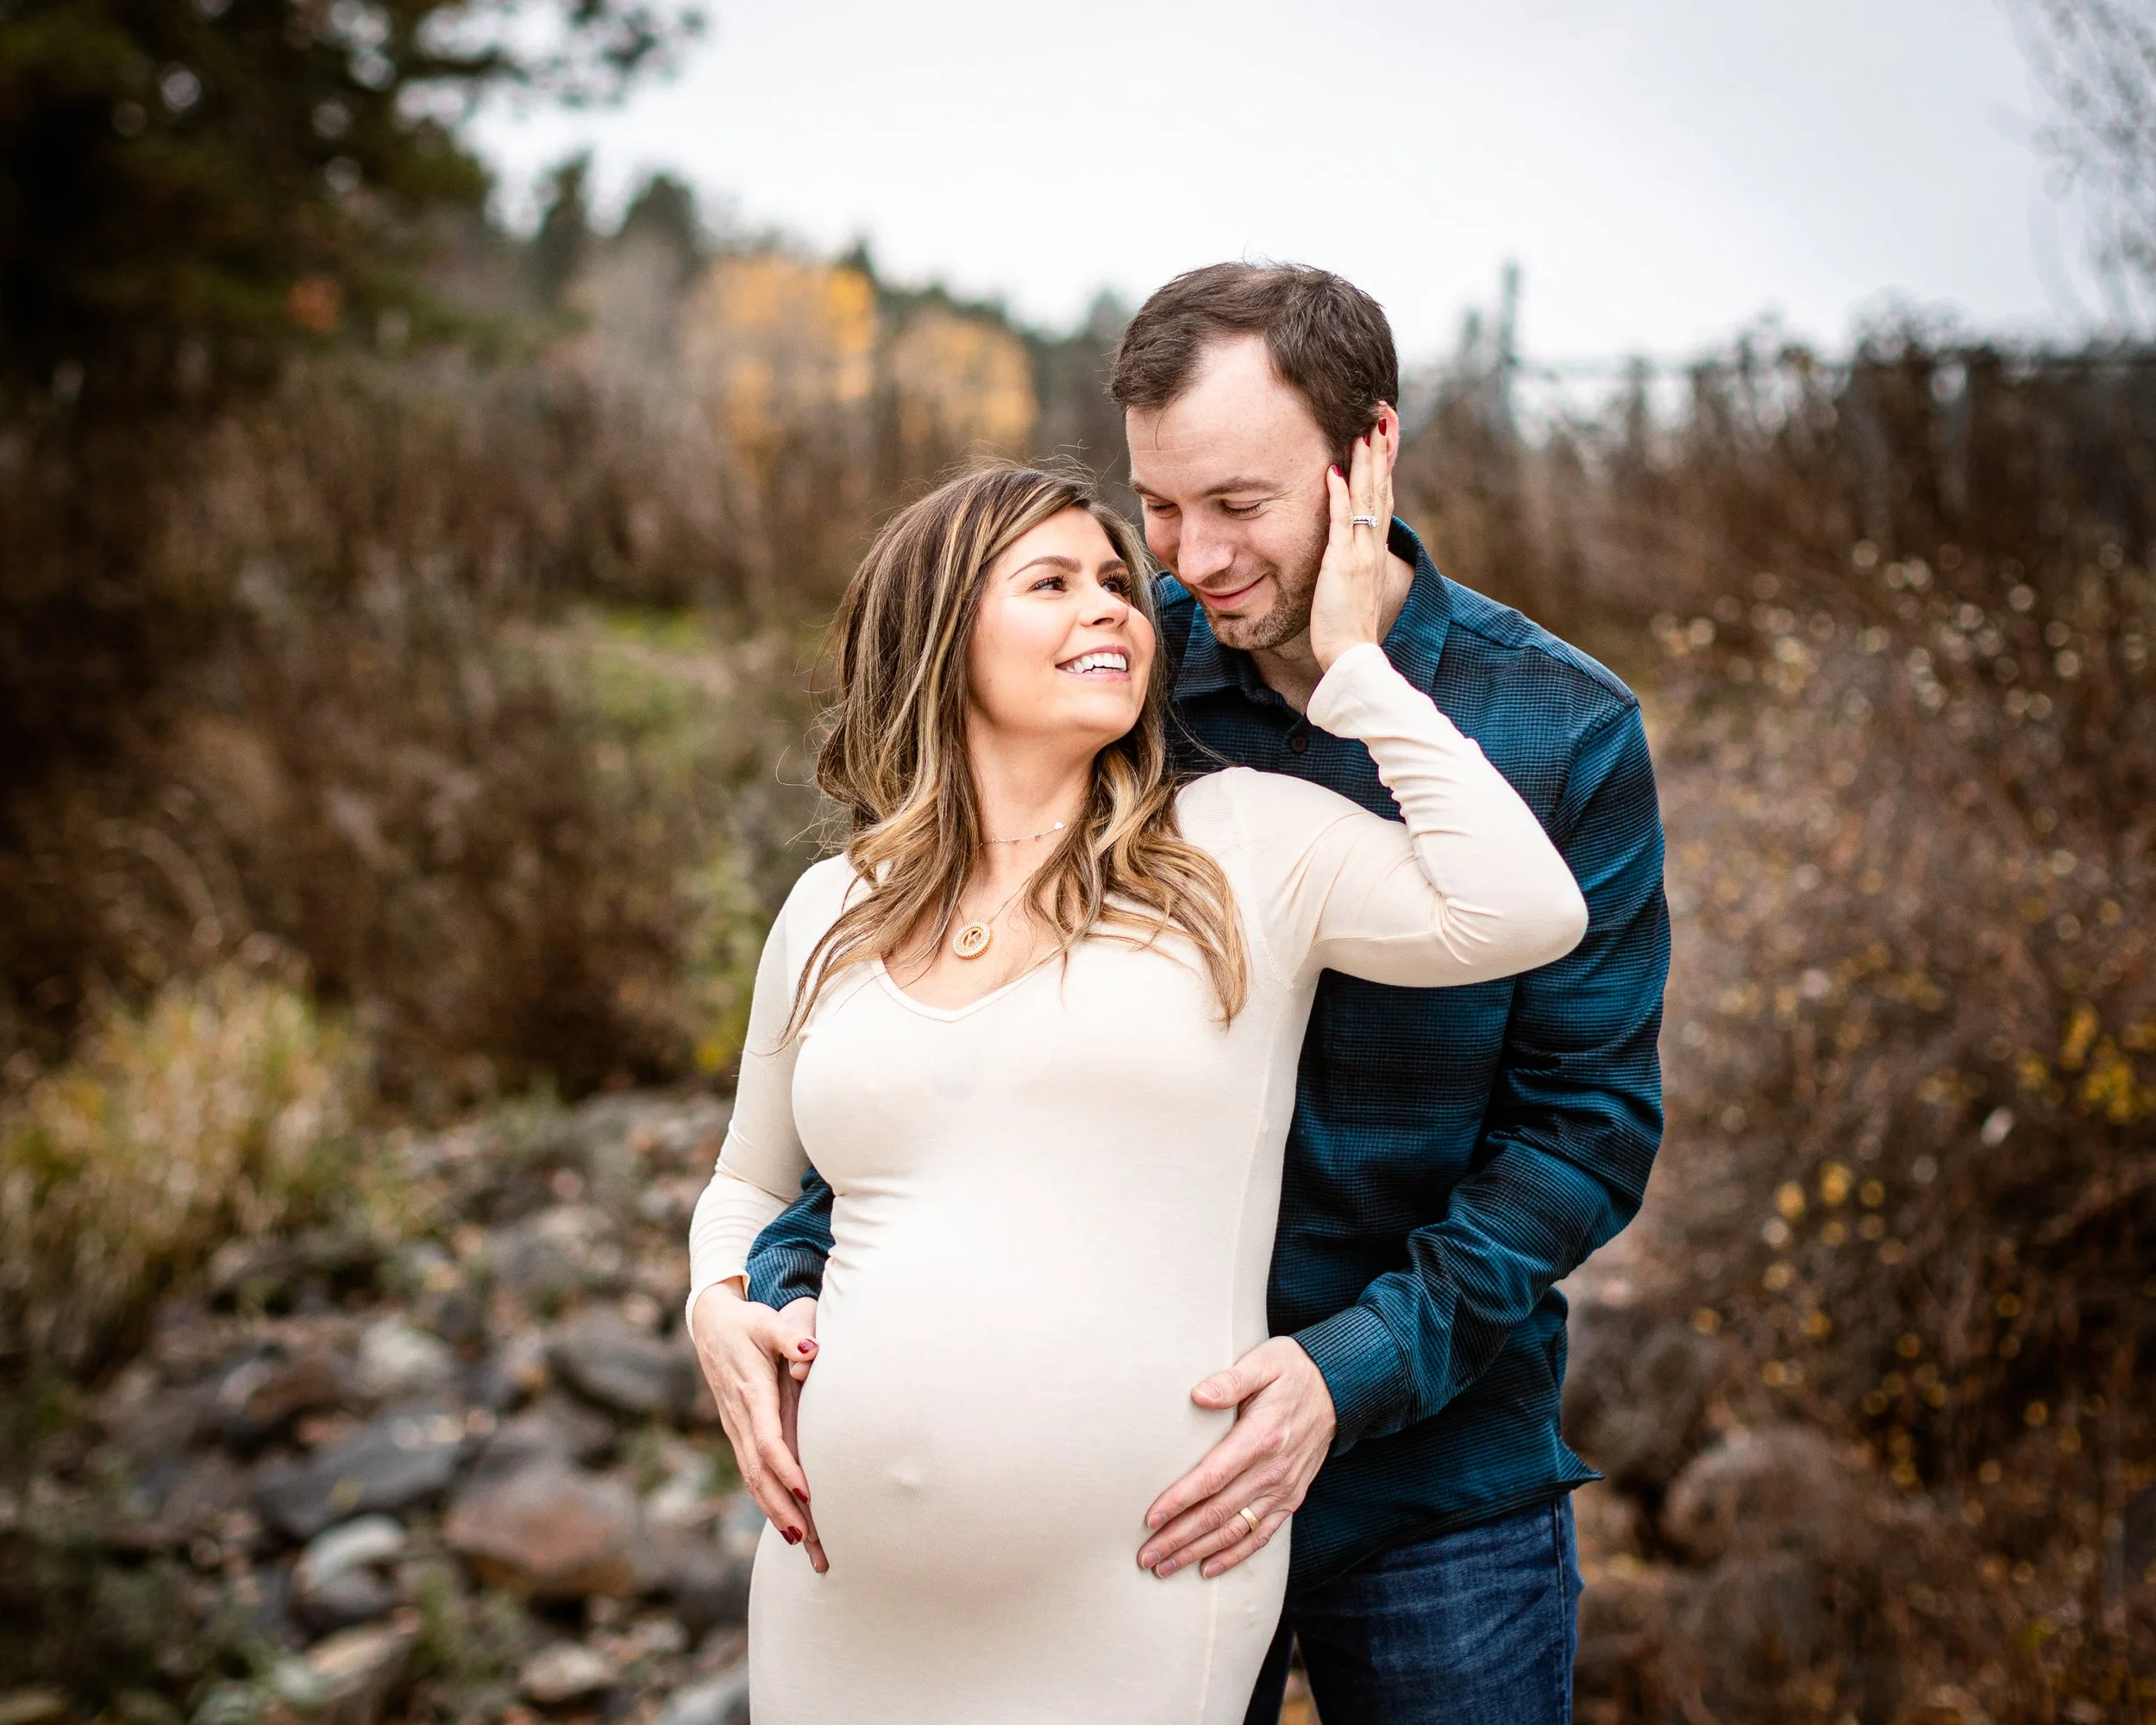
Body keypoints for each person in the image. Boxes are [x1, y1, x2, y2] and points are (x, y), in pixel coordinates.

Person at [701, 262, 1671, 1725]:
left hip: (1424, 1473)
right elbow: (936, 1068)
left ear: (1368, 454)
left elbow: (1584, 1133)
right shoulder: (1121, 677)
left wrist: (1346, 1374)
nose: (1190, 561)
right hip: (1117, 1489)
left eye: (1238, 503)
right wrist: (768, 1290)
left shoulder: (1559, 728)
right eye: (1157, 506)